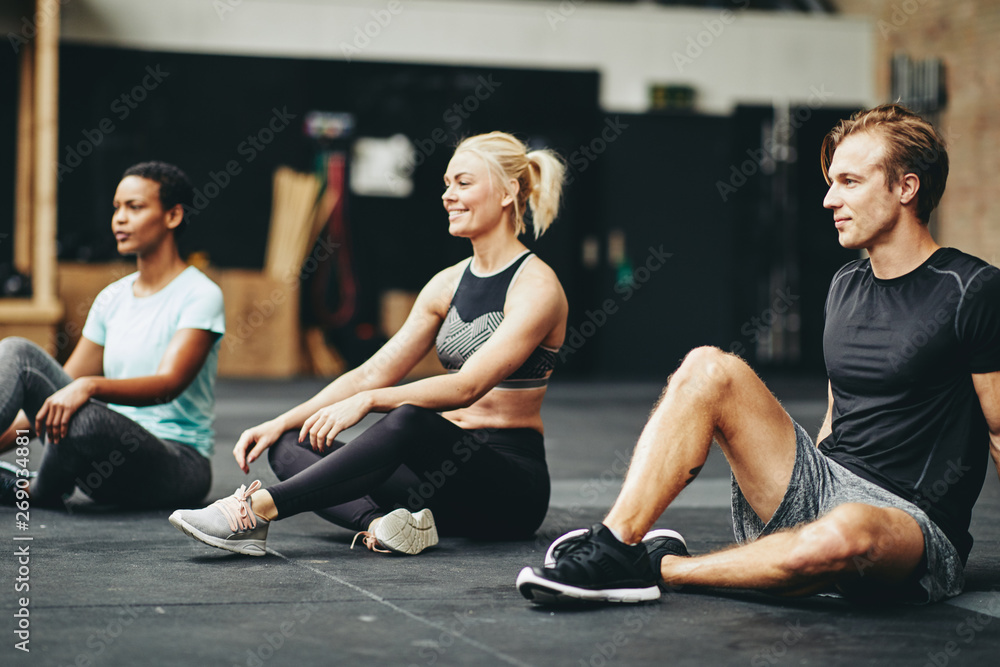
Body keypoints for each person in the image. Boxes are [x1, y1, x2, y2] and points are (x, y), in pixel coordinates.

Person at [517, 104, 1000, 605]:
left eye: (850, 182)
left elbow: (999, 430)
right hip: (826, 481)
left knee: (845, 533)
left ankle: (662, 567)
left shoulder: (973, 289)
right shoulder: (845, 284)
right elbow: (838, 415)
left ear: (906, 188)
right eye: (831, 181)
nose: (829, 199)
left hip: (908, 522)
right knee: (709, 367)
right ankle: (615, 545)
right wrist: (810, 494)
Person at [169, 131, 568, 557]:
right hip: (436, 485)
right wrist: (280, 420)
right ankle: (382, 526)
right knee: (292, 442)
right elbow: (372, 371)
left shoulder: (536, 287)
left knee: (410, 419)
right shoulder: (446, 283)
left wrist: (371, 401)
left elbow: (469, 386)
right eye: (447, 184)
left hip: (505, 492)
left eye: (463, 183)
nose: (448, 196)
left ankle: (256, 511)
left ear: (508, 192)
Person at [0, 161, 225, 509]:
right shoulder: (111, 298)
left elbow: (167, 385)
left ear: (173, 216)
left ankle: (37, 488)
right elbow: (58, 394)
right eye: (117, 208)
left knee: (84, 418)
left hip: (176, 466)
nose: (119, 218)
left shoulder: (200, 293)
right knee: (20, 355)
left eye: (134, 207)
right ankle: (38, 489)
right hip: (101, 462)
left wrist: (91, 386)